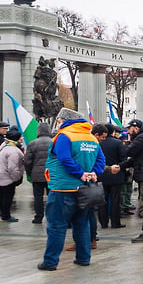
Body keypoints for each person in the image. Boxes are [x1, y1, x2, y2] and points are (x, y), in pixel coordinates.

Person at [38, 108, 105, 271]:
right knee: (82, 224)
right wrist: (93, 174)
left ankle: (50, 262)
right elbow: (101, 160)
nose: (58, 124)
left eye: (59, 121)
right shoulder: (91, 138)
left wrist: (80, 173)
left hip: (62, 189)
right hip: (84, 190)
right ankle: (83, 258)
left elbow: (64, 158)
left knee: (56, 226)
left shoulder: (64, 136)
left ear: (65, 120)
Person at [97, 124, 127, 229]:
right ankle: (115, 222)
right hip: (116, 175)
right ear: (113, 132)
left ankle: (103, 222)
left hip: (101, 175)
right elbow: (123, 158)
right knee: (115, 200)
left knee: (102, 200)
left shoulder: (98, 143)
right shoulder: (118, 143)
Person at [0, 129, 25, 222]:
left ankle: (4, 214)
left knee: (2, 195)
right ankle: (6, 215)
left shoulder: (4, 146)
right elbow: (12, 168)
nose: (22, 138)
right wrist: (17, 178)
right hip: (6, 176)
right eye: (20, 137)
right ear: (16, 139)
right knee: (7, 196)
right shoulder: (13, 151)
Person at [23, 123, 53, 224]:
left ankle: (38, 217)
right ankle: (51, 216)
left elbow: (27, 161)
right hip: (51, 175)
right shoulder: (54, 142)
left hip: (36, 175)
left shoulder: (32, 143)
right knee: (52, 196)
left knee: (38, 197)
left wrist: (30, 173)